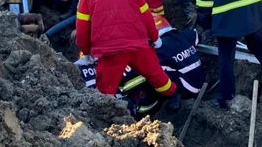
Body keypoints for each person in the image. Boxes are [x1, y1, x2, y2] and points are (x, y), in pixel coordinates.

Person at [75, 0, 177, 100]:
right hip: (138, 45)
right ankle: (172, 96)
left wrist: (86, 52)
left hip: (110, 52)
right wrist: (155, 38)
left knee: (105, 94)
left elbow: (82, 30)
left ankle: (107, 120)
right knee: (158, 76)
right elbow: (147, 16)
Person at [77, 15, 205, 116]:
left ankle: (173, 97)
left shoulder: (157, 50)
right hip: (202, 81)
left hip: (183, 90)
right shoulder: (182, 35)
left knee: (154, 70)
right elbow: (198, 36)